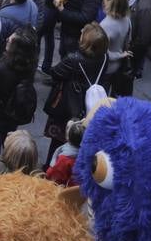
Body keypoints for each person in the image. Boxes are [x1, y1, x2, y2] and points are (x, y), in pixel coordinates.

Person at [44, 24, 108, 160]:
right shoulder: (104, 58)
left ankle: (52, 168)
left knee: (58, 143)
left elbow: (55, 72)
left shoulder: (73, 59)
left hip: (69, 108)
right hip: (91, 108)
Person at [0, 28, 39, 154]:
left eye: (10, 40)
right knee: (8, 142)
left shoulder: (0, 68)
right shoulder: (30, 64)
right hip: (13, 112)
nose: (7, 40)